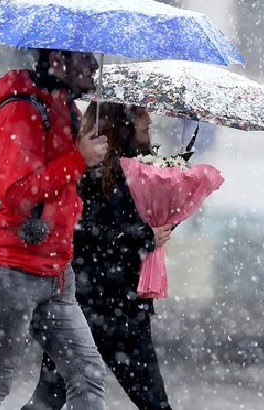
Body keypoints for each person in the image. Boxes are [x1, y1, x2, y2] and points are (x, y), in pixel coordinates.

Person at [0, 49, 109, 410]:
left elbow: (62, 189)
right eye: (84, 57)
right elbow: (18, 192)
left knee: (89, 376)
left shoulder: (67, 112)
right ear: (57, 58)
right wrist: (78, 160)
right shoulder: (21, 110)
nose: (94, 64)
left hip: (55, 272)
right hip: (6, 268)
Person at [22, 101, 174, 410]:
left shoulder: (145, 169)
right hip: (87, 306)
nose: (149, 118)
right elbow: (80, 232)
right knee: (48, 399)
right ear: (121, 121)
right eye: (141, 112)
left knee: (154, 403)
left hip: (126, 310)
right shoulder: (86, 171)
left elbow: (129, 230)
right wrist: (142, 236)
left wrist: (165, 221)